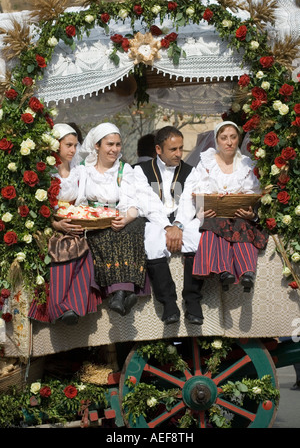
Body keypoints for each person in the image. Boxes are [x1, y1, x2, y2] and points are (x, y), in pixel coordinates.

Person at [28, 123, 101, 325]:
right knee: (63, 246)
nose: (73, 150)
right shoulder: (46, 173)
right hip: (52, 225)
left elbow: (83, 201)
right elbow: (37, 205)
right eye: (68, 145)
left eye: (75, 145)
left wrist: (80, 219)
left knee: (85, 249)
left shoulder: (79, 171)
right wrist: (56, 224)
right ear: (56, 146)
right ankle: (58, 306)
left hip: (75, 221)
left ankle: (74, 306)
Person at [134, 126, 204, 325]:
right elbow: (148, 202)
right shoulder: (140, 171)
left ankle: (192, 302)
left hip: (182, 222)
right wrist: (167, 227)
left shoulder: (191, 171)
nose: (179, 154)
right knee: (151, 241)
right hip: (156, 222)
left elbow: (189, 202)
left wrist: (178, 225)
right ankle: (169, 304)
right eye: (173, 149)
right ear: (158, 150)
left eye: (181, 148)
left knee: (197, 238)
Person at [79, 122, 149, 317]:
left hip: (119, 217)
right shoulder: (84, 170)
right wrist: (93, 218)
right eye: (110, 144)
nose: (114, 149)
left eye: (118, 144)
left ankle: (119, 294)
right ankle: (123, 292)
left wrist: (125, 219)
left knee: (131, 228)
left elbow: (133, 204)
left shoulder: (124, 169)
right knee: (105, 235)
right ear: (97, 145)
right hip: (93, 221)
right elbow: (79, 202)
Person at [192, 120, 269, 292]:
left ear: (238, 139)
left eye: (233, 137)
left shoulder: (247, 164)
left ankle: (246, 273)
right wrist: (202, 210)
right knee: (214, 223)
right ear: (217, 140)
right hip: (215, 214)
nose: (229, 142)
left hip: (240, 216)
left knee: (242, 223)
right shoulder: (206, 163)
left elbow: (255, 194)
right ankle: (225, 271)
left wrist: (251, 213)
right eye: (224, 137)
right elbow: (197, 190)